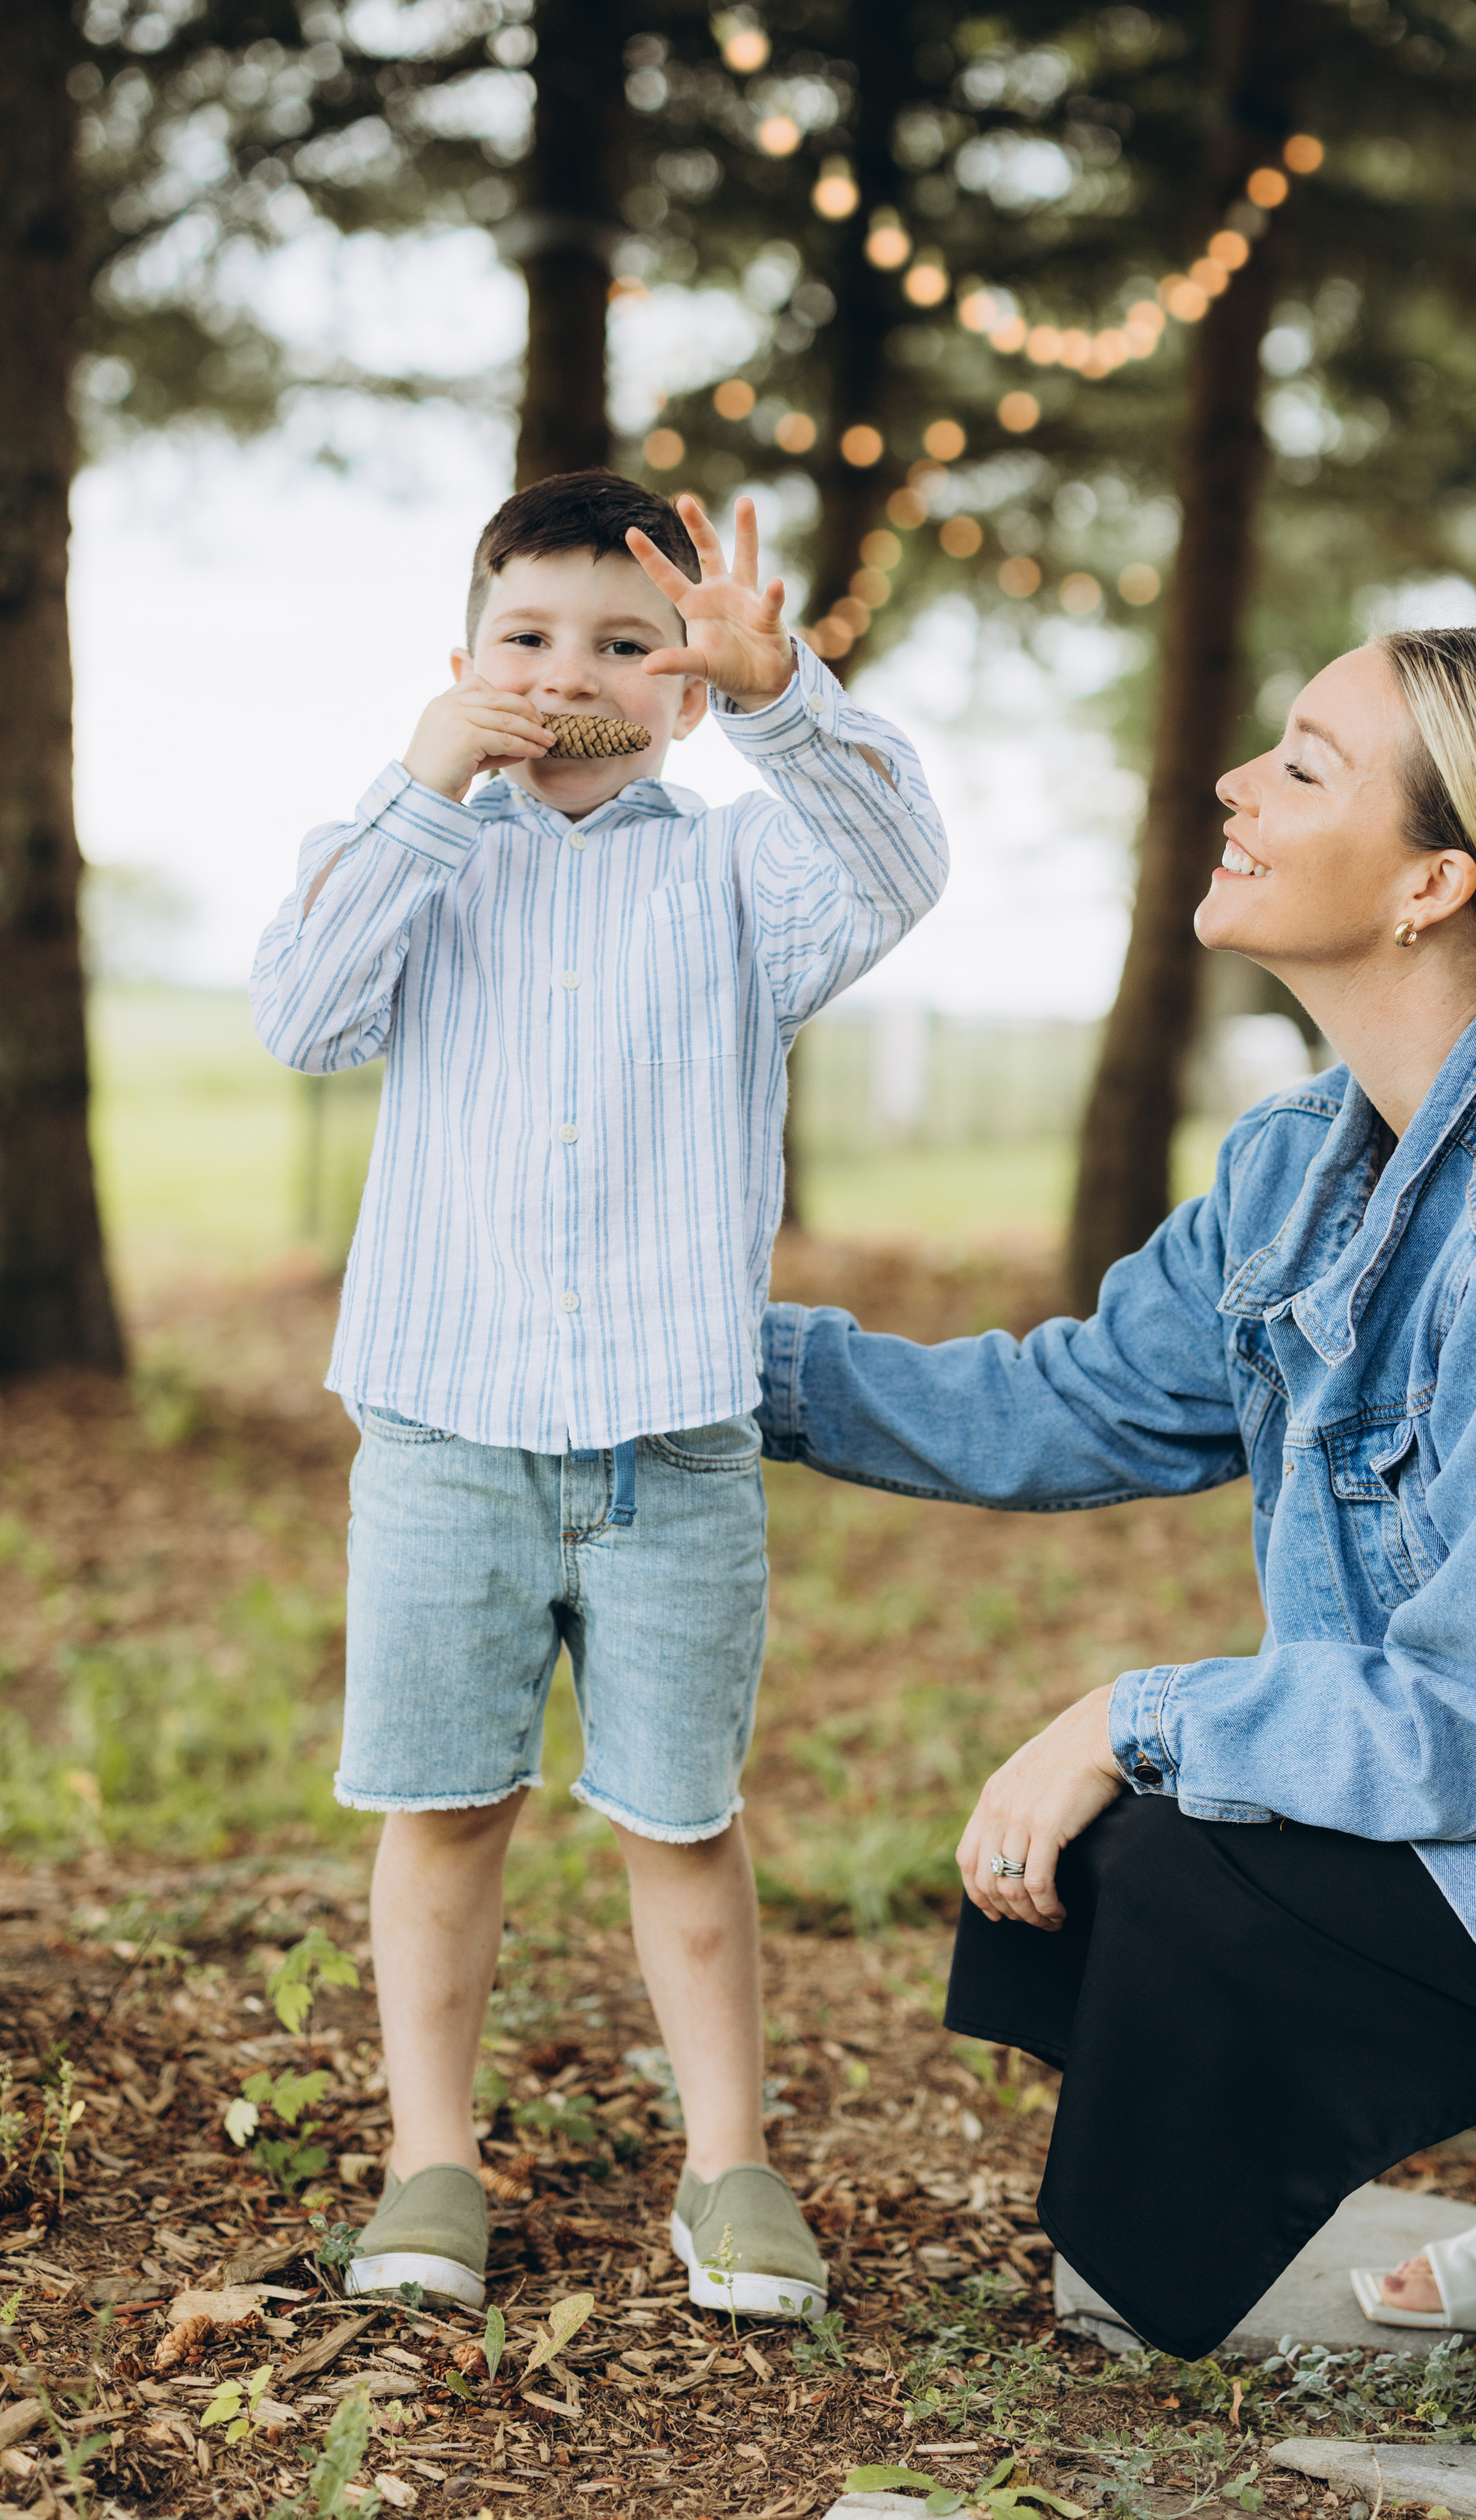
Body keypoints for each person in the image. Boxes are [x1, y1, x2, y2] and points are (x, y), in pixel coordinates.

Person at [756, 626, 1476, 2490]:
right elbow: (1071, 1405)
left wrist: (1131, 1709)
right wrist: (715, 1365)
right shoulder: (1307, 1160)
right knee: (1174, 1841)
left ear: (1432, 883)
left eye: (1300, 764)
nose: (1232, 788)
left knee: (1187, 1866)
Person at [252, 471, 947, 2320]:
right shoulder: (407, 852)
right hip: (444, 1436)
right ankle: (430, 2160)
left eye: (627, 646)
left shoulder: (739, 871)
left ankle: (729, 2166)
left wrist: (786, 694)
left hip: (670, 1442)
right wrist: (419, 787)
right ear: (461, 666)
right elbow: (305, 1018)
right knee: (445, 1807)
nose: (572, 675)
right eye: (528, 640)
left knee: (677, 1816)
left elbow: (897, 869)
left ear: (683, 688)